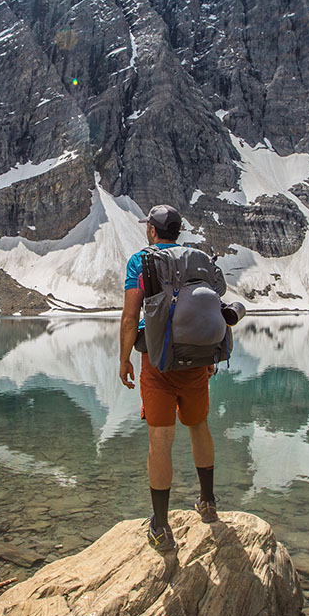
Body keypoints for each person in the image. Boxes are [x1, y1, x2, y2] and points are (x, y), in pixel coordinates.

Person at [119, 204, 219, 553]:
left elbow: (131, 317)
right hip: (195, 361)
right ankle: (207, 502)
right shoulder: (198, 258)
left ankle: (160, 527)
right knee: (199, 426)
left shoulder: (141, 261)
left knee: (160, 440)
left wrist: (124, 359)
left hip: (158, 364)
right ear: (178, 231)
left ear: (152, 230)